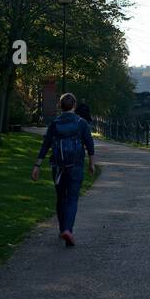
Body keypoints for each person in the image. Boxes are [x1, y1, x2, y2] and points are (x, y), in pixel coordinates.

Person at [32, 92, 96, 246]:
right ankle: (68, 230)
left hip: (58, 166)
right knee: (72, 198)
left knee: (61, 197)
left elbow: (45, 145)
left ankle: (62, 229)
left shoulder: (54, 124)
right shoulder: (81, 123)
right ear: (74, 106)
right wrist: (91, 163)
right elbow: (89, 145)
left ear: (60, 106)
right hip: (76, 165)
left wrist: (37, 165)